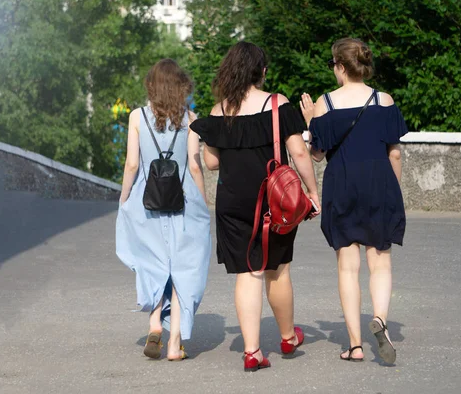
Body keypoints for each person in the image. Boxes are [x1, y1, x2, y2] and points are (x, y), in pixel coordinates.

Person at [190, 41, 320, 372]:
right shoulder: (278, 105)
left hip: (232, 202)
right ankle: (288, 337)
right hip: (273, 202)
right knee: (277, 269)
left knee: (248, 274)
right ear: (261, 72)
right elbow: (300, 153)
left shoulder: (219, 111)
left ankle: (251, 351)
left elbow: (211, 163)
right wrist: (312, 191)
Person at [300, 38, 407, 364]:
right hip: (379, 186)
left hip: (342, 186)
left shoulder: (324, 104)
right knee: (380, 262)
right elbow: (395, 152)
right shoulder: (383, 99)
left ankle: (356, 346)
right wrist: (393, 192)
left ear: (342, 67)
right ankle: (381, 321)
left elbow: (317, 155)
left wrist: (309, 122)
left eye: (334, 65)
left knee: (348, 268)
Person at [116, 59, 211, 361]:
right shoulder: (190, 118)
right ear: (181, 85)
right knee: (185, 267)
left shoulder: (137, 117)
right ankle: (175, 344)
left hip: (147, 200)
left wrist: (124, 197)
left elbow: (132, 164)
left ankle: (155, 323)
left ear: (151, 85)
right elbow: (194, 165)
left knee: (153, 262)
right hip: (184, 201)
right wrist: (204, 202)